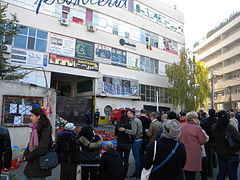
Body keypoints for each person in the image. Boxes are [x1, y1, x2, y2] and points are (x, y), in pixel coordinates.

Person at [22, 107, 53, 180]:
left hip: (40, 166)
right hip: (31, 166)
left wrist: (28, 157)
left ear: (38, 117)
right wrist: (25, 154)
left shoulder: (45, 129)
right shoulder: (35, 129)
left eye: (32, 116)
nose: (30, 118)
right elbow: (30, 144)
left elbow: (42, 149)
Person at [180, 111, 208, 180]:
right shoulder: (197, 128)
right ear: (194, 118)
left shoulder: (181, 126)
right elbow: (202, 141)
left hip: (183, 151)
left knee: (187, 173)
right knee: (192, 173)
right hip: (193, 153)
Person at [212, 110, 240, 180]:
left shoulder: (215, 127)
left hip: (220, 152)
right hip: (232, 153)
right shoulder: (230, 127)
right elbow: (238, 138)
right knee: (232, 175)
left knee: (221, 173)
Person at [118, 110, 143, 178]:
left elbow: (134, 132)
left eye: (128, 113)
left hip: (136, 141)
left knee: (136, 158)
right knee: (137, 158)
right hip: (139, 140)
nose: (127, 115)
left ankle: (137, 173)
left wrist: (125, 130)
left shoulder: (134, 121)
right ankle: (138, 172)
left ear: (132, 114)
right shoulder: (137, 120)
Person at [200, 109, 217, 177]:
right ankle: (215, 164)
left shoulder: (205, 121)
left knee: (209, 157)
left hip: (208, 141)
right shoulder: (217, 120)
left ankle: (210, 172)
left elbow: (203, 130)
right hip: (216, 140)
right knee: (215, 154)